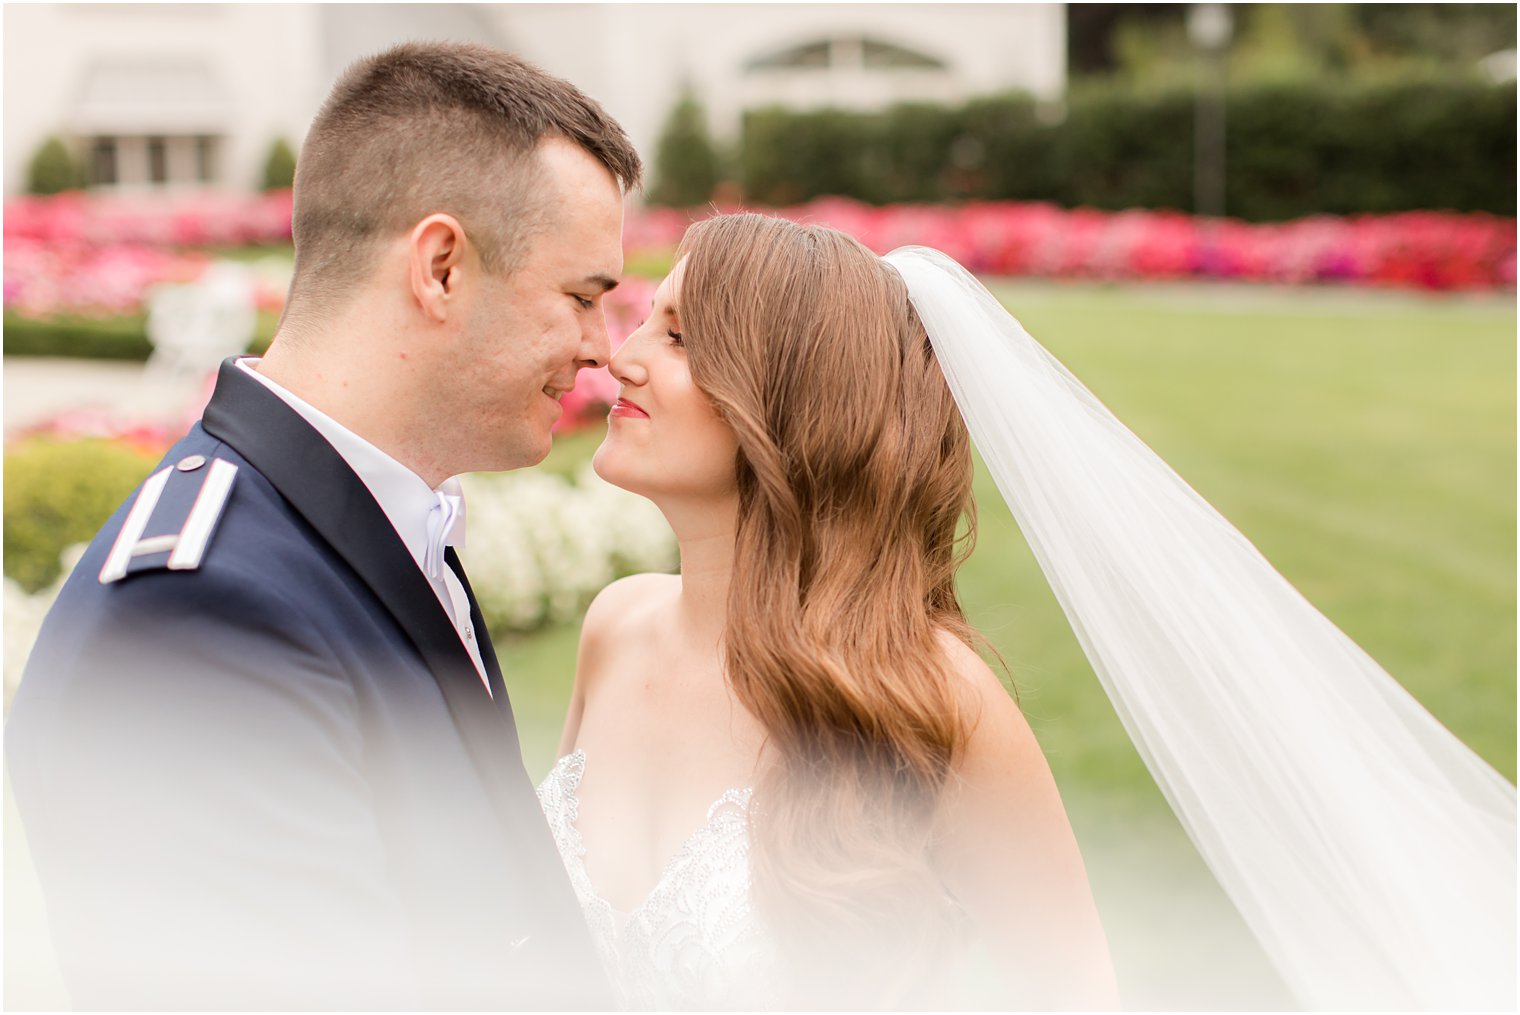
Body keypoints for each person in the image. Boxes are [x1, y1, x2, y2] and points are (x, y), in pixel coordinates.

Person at [539, 213, 1516, 1010]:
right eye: (643, 320)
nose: (619, 357)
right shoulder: (615, 630)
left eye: (678, 336)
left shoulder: (925, 699)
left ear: (789, 400)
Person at [6, 42, 640, 1009]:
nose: (601, 350)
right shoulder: (202, 616)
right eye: (583, 297)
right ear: (439, 267)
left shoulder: (349, 523)